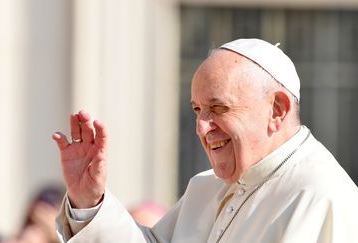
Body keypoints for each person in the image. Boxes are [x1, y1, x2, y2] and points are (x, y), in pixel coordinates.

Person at [52, 38, 358, 242]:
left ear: (277, 109)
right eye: (198, 110)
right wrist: (90, 201)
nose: (202, 127)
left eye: (218, 108)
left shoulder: (323, 197)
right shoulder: (206, 187)